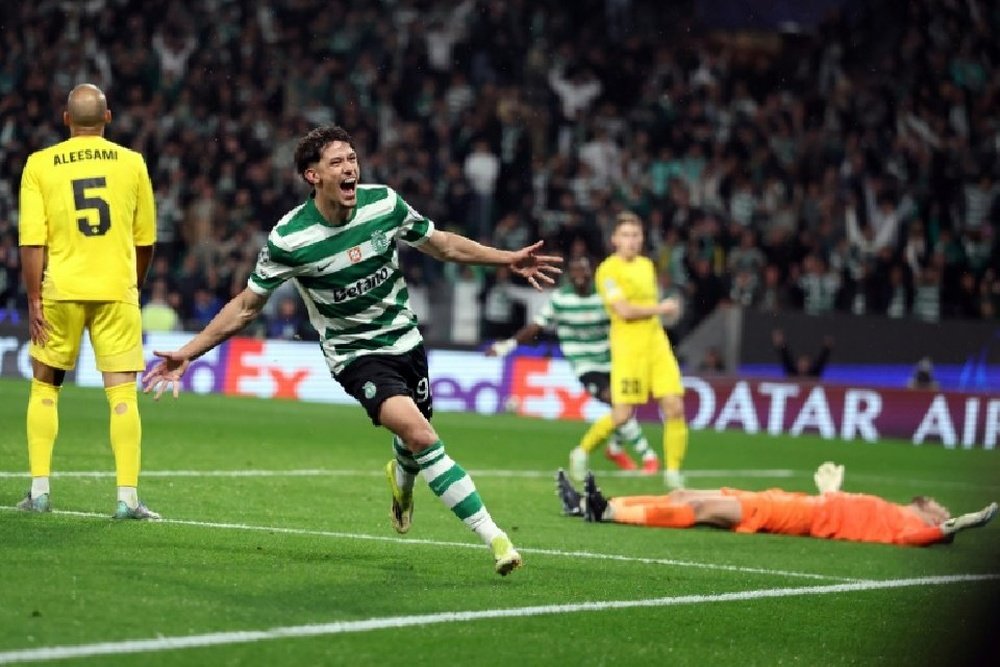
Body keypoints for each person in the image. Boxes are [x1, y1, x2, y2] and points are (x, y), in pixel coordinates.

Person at [142, 125, 562, 576]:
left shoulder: (384, 204)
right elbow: (246, 306)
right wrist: (190, 351)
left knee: (414, 438)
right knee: (422, 436)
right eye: (337, 162)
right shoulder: (290, 239)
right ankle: (496, 539)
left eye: (352, 159)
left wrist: (506, 259)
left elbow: (440, 243)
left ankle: (401, 482)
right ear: (313, 176)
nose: (350, 169)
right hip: (356, 356)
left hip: (406, 340)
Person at [17, 83, 158, 519]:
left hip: (61, 289)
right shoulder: (132, 163)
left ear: (65, 119)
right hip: (116, 289)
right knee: (122, 396)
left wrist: (34, 299)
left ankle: (39, 491)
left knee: (45, 386)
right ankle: (127, 497)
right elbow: (146, 239)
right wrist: (131, 283)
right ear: (108, 118)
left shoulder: (40, 164)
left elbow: (31, 240)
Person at [487, 256, 657, 480]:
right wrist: (506, 346)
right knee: (616, 400)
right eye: (574, 272)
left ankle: (615, 449)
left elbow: (623, 318)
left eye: (583, 271)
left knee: (626, 403)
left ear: (591, 273)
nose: (579, 276)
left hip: (613, 360)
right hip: (585, 365)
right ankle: (648, 457)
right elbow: (535, 327)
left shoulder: (604, 297)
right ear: (569, 276)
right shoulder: (560, 299)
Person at [556, 464, 997, 547]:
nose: (937, 506)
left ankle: (607, 511)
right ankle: (594, 506)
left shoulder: (907, 529)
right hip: (794, 501)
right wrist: (831, 488)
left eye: (942, 509)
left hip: (797, 516)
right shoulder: (893, 509)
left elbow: (931, 532)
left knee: (707, 509)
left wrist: (962, 525)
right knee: (684, 497)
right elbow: (840, 507)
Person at [594, 212, 688, 489]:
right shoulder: (607, 271)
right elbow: (623, 310)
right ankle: (583, 450)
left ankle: (673, 473)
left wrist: (668, 314)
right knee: (622, 414)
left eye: (636, 235)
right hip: (628, 351)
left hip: (657, 347)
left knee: (675, 407)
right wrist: (662, 308)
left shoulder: (647, 266)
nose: (632, 241)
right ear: (614, 239)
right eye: (625, 235)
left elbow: (653, 310)